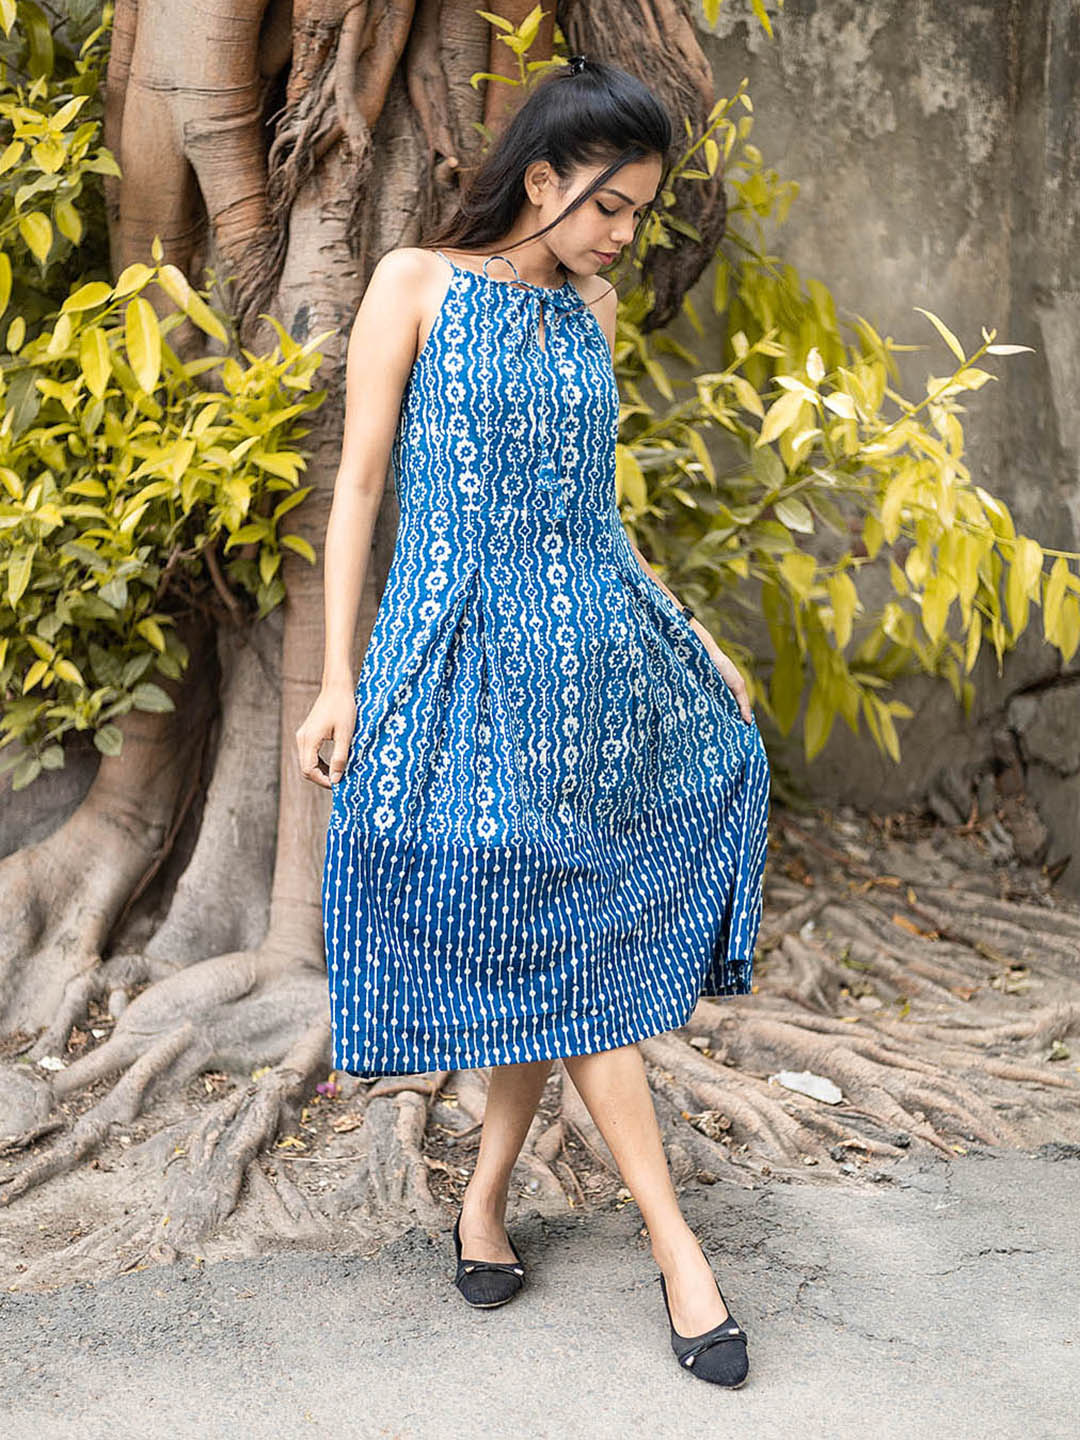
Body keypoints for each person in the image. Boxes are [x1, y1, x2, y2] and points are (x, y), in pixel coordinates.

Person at [296, 54, 769, 1388]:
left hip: (581, 673)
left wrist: (698, 642)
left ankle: (484, 1203)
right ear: (543, 178)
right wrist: (337, 677)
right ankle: (680, 1252)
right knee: (550, 947)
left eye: (639, 212)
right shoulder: (417, 287)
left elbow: (597, 524)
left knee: (544, 947)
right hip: (453, 665)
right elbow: (362, 488)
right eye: (611, 205)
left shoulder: (591, 313)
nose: (625, 234)